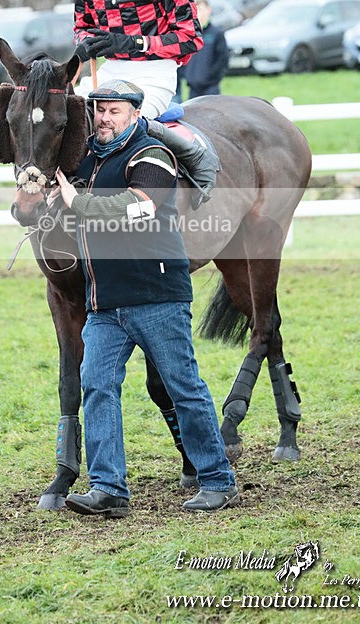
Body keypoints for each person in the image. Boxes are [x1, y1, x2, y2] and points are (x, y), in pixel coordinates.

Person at [54, 79, 238, 518]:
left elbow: (141, 208)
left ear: (136, 115)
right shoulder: (89, 162)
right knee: (97, 387)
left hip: (157, 297)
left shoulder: (153, 155)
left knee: (184, 388)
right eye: (98, 110)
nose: (104, 118)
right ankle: (108, 488)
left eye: (115, 110)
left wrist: (77, 203)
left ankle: (217, 481)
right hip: (104, 303)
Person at [63, 0, 218, 206]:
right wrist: (86, 42)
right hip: (109, 71)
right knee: (67, 120)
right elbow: (82, 26)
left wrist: (134, 43)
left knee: (119, 125)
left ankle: (194, 157)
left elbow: (191, 37)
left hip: (155, 72)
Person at [183, 0, 229, 99]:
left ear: (209, 10)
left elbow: (222, 59)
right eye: (195, 9)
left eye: (200, 9)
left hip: (210, 88)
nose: (198, 12)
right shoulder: (189, 34)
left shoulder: (217, 34)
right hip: (193, 88)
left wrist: (211, 78)